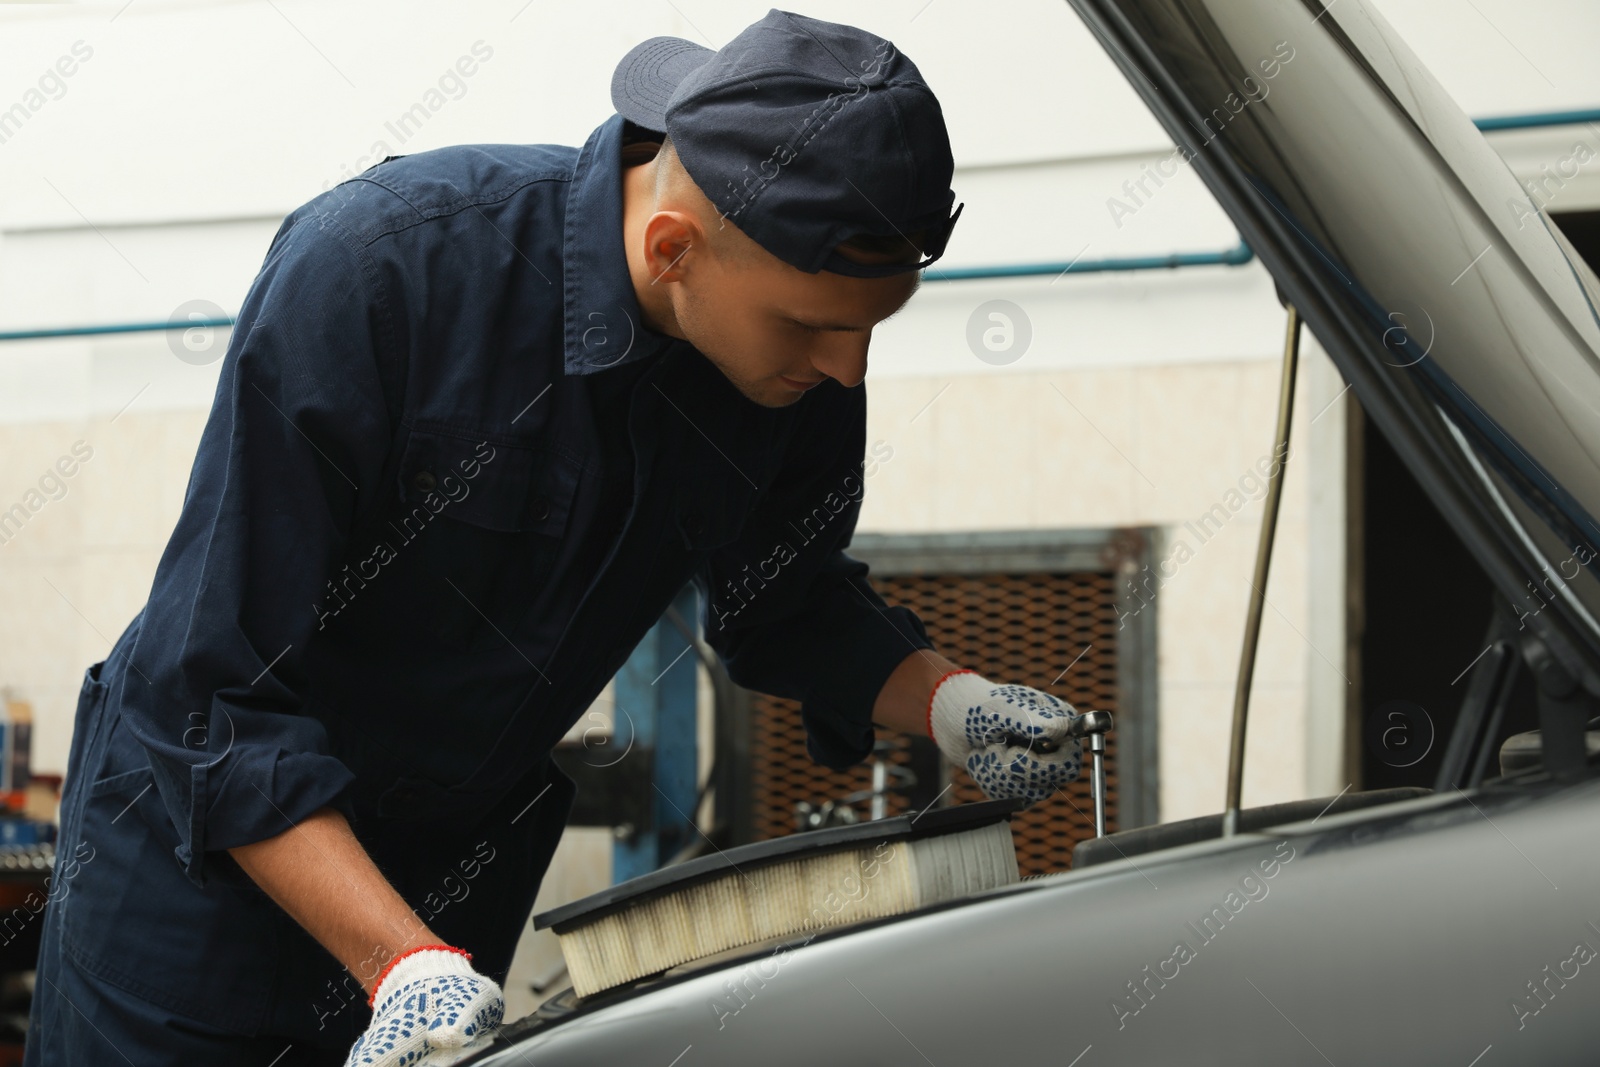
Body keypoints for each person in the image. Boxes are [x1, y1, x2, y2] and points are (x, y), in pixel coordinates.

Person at [24, 9, 1085, 1065]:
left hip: (445, 895)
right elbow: (210, 694)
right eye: (814, 325)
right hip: (197, 895)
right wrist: (398, 960)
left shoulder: (791, 359)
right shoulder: (381, 273)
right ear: (674, 248)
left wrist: (954, 701)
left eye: (869, 328)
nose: (848, 371)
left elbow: (787, 602)